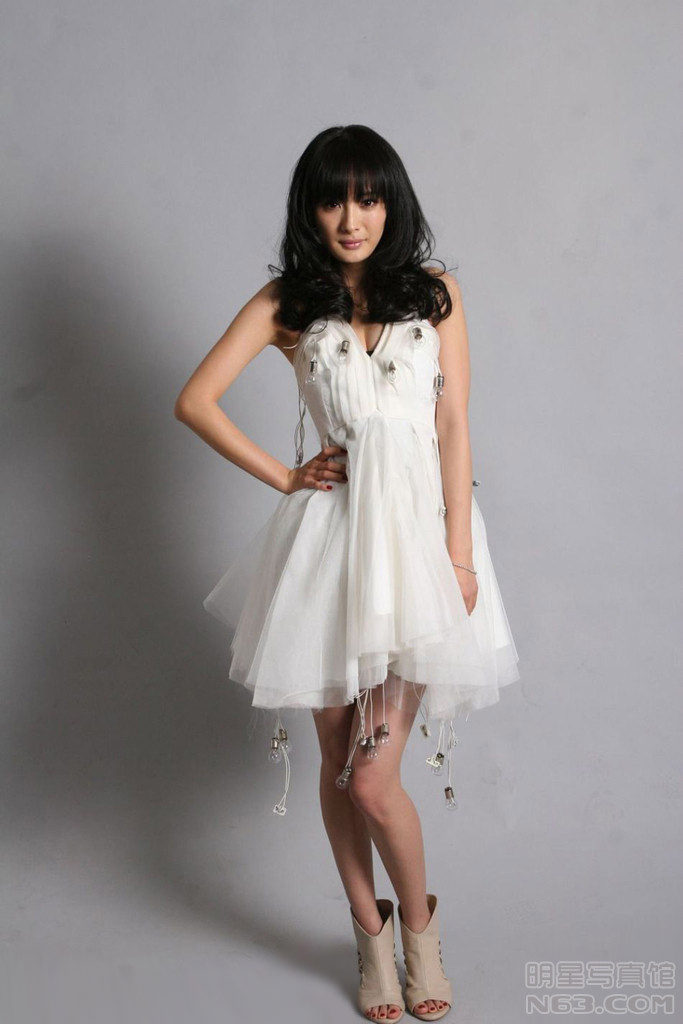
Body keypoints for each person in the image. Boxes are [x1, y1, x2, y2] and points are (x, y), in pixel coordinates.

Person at [175, 124, 520, 1023]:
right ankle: (369, 937)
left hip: (418, 550)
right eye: (333, 199)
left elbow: (454, 425)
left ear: (390, 203)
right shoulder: (289, 303)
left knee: (374, 778)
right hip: (327, 546)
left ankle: (419, 937)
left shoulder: (435, 293)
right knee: (337, 766)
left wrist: (457, 554)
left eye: (367, 198)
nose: (351, 218)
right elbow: (195, 400)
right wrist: (286, 475)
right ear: (311, 209)